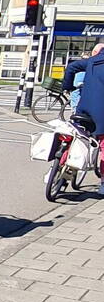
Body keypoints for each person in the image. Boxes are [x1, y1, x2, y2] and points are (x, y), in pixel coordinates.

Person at [63, 42, 104, 195]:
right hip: (102, 114)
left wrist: (67, 87)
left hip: (84, 109)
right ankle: (103, 183)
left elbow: (71, 67)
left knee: (76, 136)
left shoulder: (92, 61)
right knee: (103, 146)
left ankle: (60, 165)